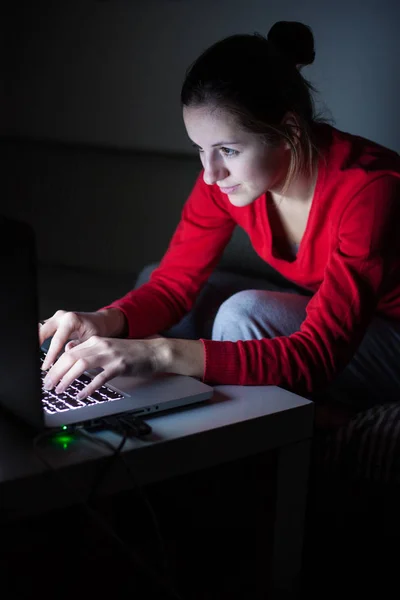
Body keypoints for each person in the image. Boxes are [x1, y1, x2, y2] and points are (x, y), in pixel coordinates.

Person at [39, 21, 400, 420]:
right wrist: (102, 320)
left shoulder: (370, 190)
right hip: (347, 319)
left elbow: (317, 355)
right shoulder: (229, 183)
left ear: (289, 132)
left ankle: (251, 448)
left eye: (227, 150)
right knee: (152, 280)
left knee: (241, 313)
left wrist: (161, 353)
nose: (210, 174)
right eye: (200, 149)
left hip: (392, 336)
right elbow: (173, 285)